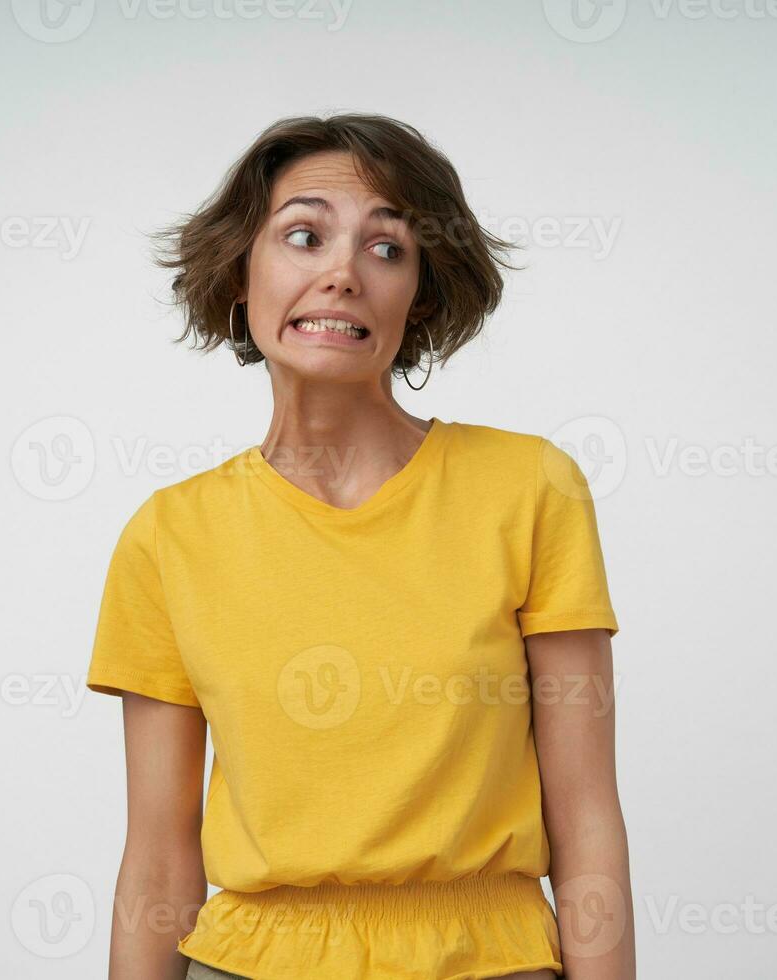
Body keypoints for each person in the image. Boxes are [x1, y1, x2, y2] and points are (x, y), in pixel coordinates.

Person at [87, 112, 636, 979]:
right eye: (304, 236)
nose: (342, 273)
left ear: (418, 294)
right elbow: (157, 856)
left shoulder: (532, 488)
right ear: (240, 270)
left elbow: (588, 817)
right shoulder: (169, 535)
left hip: (488, 960)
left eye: (387, 249)